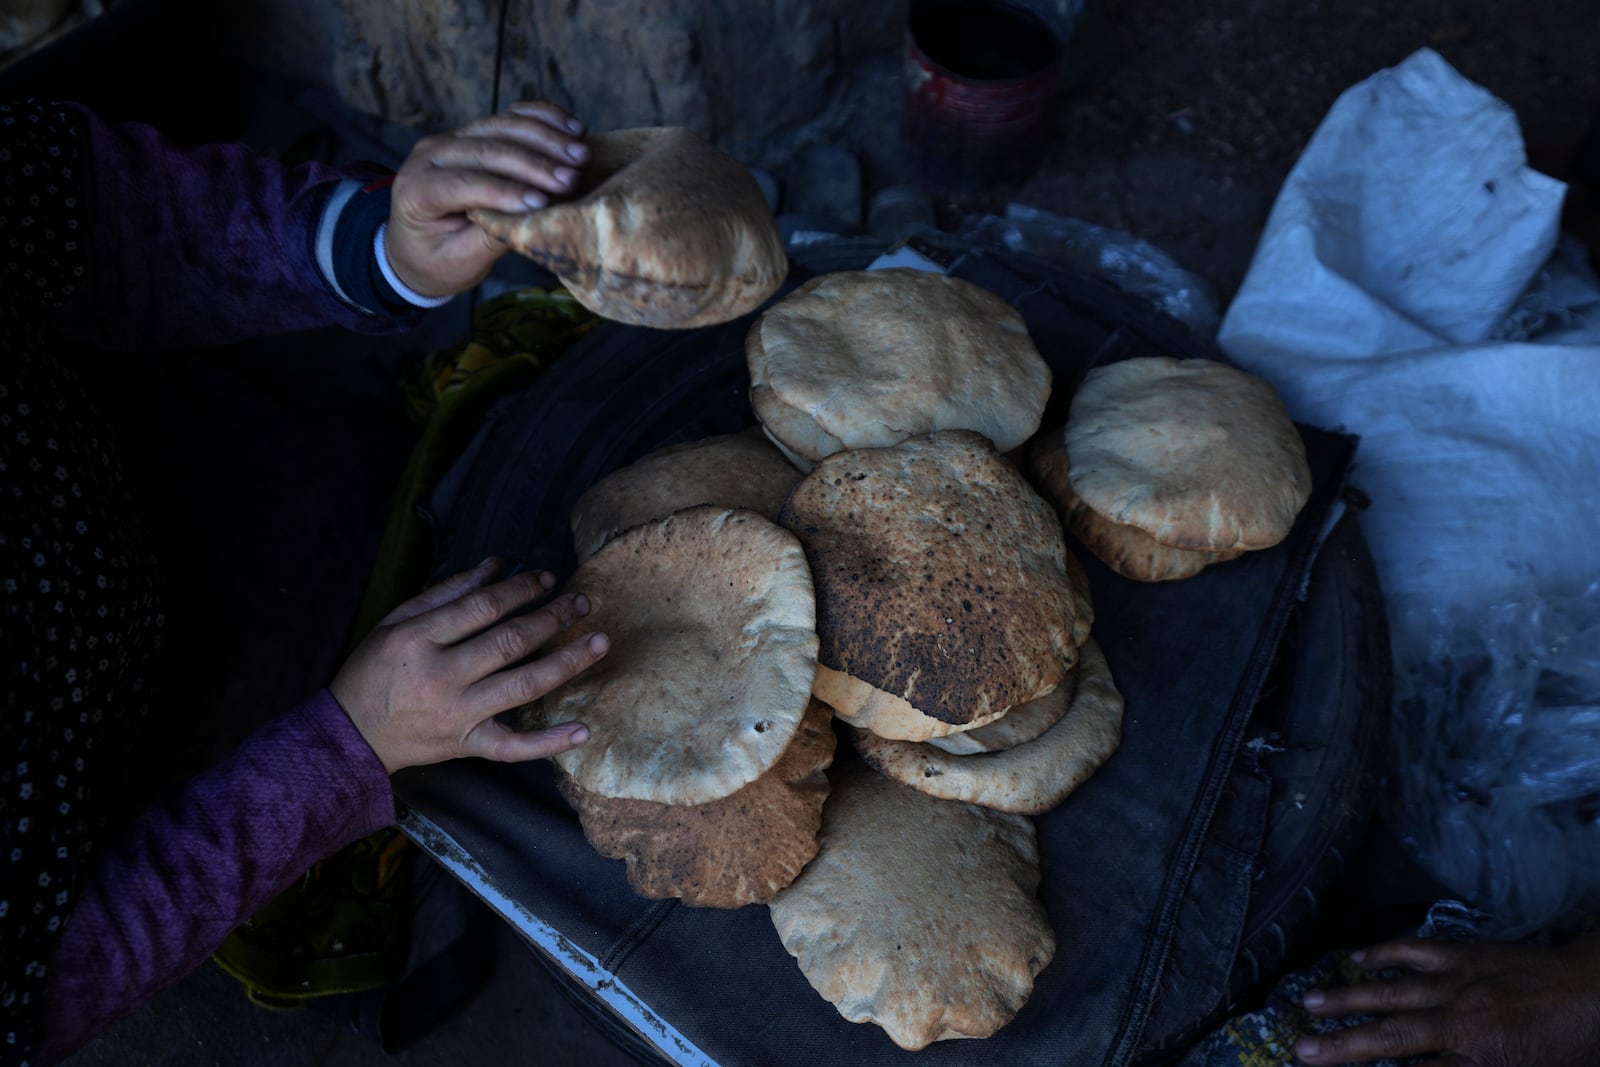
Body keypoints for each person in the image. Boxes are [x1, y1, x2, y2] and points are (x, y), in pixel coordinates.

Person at [0, 97, 611, 1066]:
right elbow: (40, 982)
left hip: (165, 465)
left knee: (428, 501)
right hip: (129, 783)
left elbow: (96, 213)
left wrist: (378, 249)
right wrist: (343, 749)